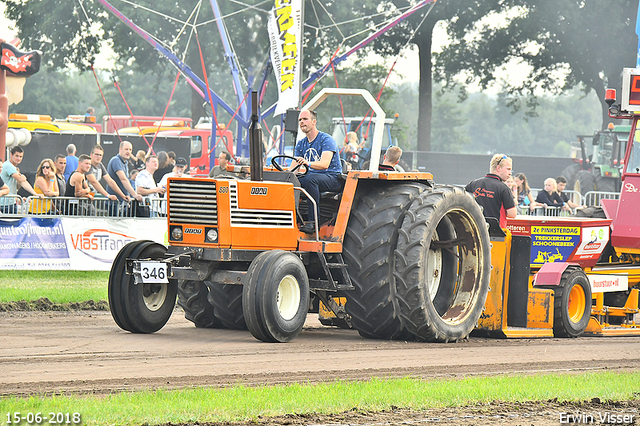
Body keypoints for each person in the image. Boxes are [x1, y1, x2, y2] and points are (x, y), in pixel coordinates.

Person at [292, 110, 343, 234]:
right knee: (292, 181)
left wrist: (307, 163)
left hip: (332, 177)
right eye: (300, 120)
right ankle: (295, 218)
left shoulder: (326, 140)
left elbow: (324, 164)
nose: (302, 122)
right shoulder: (301, 144)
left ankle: (313, 222)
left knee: (310, 179)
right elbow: (293, 169)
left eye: (305, 119)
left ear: (314, 121)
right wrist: (284, 176)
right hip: (313, 177)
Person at [465, 153, 517, 229]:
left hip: (475, 231)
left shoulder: (473, 184)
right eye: (508, 169)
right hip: (496, 234)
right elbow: (512, 214)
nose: (510, 173)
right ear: (498, 168)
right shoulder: (503, 188)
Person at [0, 146, 44, 213]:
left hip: (9, 202)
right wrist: (36, 194)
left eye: (20, 157)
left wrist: (20, 179)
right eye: (17, 156)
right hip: (6, 204)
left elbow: (18, 185)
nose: (18, 158)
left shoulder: (13, 167)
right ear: (11, 155)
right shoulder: (9, 166)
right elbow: (23, 182)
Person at [106, 141, 143, 214]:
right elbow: (123, 179)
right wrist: (134, 195)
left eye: (130, 150)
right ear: (120, 149)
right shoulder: (116, 160)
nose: (128, 152)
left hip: (122, 201)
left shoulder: (125, 162)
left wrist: (128, 195)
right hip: (115, 202)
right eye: (126, 149)